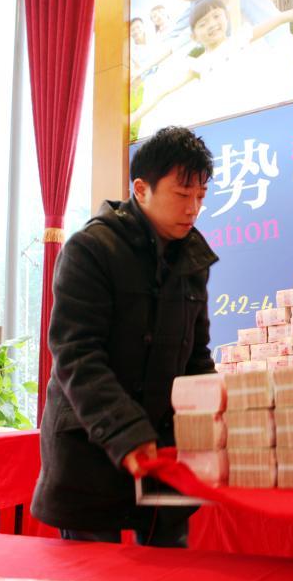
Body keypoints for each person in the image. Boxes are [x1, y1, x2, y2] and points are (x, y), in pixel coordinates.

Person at [31, 127, 218, 546]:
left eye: (201, 196)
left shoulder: (193, 257)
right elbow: (76, 354)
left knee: (169, 576)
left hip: (162, 454)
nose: (193, 208)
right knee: (93, 576)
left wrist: (220, 422)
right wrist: (126, 432)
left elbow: (197, 357)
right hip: (91, 447)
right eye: (182, 194)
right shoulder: (91, 249)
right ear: (141, 189)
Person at [131, 0, 293, 127]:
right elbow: (164, 92)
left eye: (216, 17)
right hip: (227, 120)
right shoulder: (199, 64)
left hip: (256, 109)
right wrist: (134, 116)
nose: (212, 25)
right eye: (203, 24)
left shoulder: (240, 38)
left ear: (226, 17)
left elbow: (279, 19)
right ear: (194, 36)